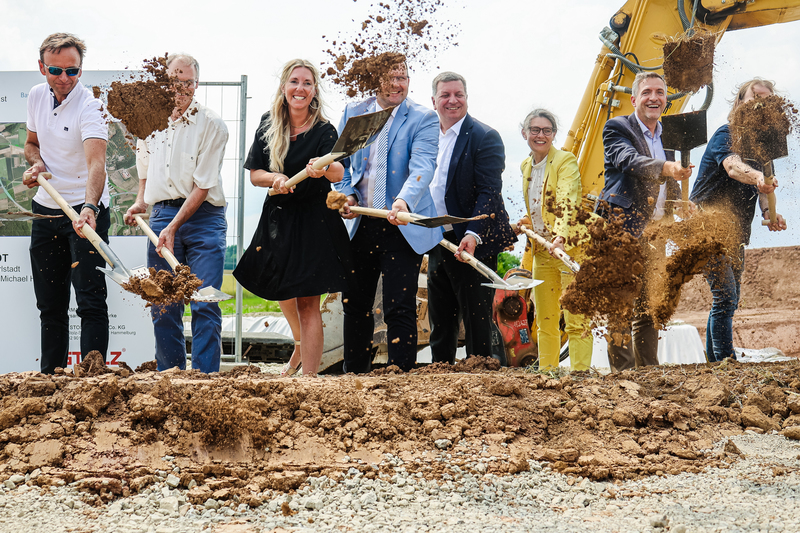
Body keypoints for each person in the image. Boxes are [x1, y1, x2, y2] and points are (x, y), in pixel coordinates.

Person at [233, 59, 353, 376]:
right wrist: (273, 179)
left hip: (314, 221)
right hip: (278, 218)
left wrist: (323, 167)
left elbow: (340, 171)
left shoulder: (325, 130)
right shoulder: (267, 124)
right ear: (285, 87)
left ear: (314, 91)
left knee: (307, 303)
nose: (300, 88)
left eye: (307, 83)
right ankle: (300, 346)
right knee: (281, 289)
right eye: (295, 82)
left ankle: (309, 380)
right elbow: (255, 174)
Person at [123, 53, 228, 374]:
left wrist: (172, 226)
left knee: (204, 301)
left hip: (203, 218)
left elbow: (202, 186)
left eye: (188, 82)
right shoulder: (149, 124)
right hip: (161, 216)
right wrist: (142, 201)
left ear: (196, 84)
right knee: (163, 303)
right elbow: (144, 167)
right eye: (174, 82)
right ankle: (170, 376)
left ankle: (204, 379)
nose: (181, 89)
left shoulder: (212, 125)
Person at [336, 57, 441, 373]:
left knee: (399, 306)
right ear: (372, 79)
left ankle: (400, 377)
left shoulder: (423, 118)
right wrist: (347, 194)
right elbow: (341, 161)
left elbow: (423, 165)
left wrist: (404, 202)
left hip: (400, 224)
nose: (398, 84)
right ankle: (354, 375)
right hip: (361, 223)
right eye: (390, 77)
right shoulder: (355, 114)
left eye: (403, 77)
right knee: (355, 304)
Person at [23, 33, 110, 374]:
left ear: (80, 70)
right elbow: (31, 143)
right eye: (56, 70)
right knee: (50, 304)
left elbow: (96, 164)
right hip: (46, 209)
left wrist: (89, 208)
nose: (64, 78)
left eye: (72, 71)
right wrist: (37, 163)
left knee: (89, 301)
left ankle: (93, 381)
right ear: (42, 67)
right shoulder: (34, 97)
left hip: (83, 212)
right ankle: (51, 380)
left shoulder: (91, 107)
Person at [598, 71, 691, 372]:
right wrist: (666, 166)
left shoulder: (670, 134)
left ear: (666, 99)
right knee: (621, 304)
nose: (654, 97)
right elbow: (628, 160)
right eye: (648, 92)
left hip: (657, 229)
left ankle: (649, 371)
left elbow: (671, 182)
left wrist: (679, 204)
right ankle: (623, 377)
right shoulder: (617, 128)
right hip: (622, 226)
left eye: (660, 92)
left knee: (650, 303)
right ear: (634, 99)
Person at [690, 78, 787, 362]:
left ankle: (714, 360)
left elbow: (766, 185)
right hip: (706, 226)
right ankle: (725, 362)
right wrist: (758, 178)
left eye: (767, 101)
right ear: (739, 103)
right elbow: (733, 167)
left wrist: (770, 213)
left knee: (727, 300)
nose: (760, 104)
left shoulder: (764, 146)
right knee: (726, 297)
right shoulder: (727, 134)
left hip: (736, 233)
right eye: (754, 97)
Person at [426, 71, 515, 363]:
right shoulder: (427, 136)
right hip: (438, 238)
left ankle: (484, 379)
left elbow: (489, 192)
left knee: (477, 318)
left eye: (458, 95)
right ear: (434, 100)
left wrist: (472, 234)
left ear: (466, 98)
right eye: (445, 95)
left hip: (473, 239)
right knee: (440, 317)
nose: (453, 101)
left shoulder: (484, 137)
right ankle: (441, 374)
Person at [518, 109, 595, 371]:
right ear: (524, 133)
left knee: (576, 319)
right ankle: (547, 374)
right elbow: (541, 207)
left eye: (547, 130)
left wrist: (560, 236)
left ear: (553, 134)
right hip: (541, 251)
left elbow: (566, 199)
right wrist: (526, 223)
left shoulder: (565, 160)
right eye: (535, 130)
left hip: (569, 250)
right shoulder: (526, 166)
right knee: (545, 319)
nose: (541, 135)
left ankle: (581, 376)